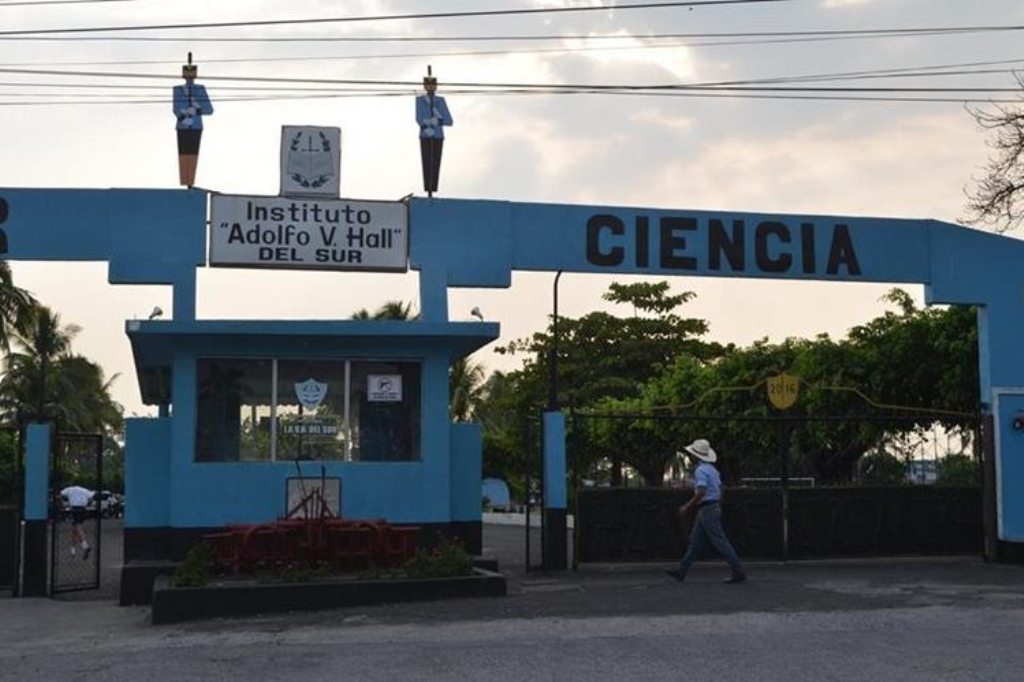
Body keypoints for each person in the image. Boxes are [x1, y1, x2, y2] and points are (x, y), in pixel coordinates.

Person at [666, 438, 747, 584]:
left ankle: (738, 570)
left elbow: (701, 491)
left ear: (695, 456)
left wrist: (687, 506)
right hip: (712, 507)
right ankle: (681, 571)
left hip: (706, 508)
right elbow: (720, 489)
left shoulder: (700, 471)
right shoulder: (712, 470)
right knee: (696, 542)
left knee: (719, 541)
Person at [172, 57, 214, 187]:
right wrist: (186, 114)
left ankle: (190, 181)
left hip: (196, 126)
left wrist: (195, 110)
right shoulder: (178, 89)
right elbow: (176, 109)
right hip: (183, 126)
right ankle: (185, 180)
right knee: (184, 154)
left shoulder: (200, 89)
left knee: (193, 153)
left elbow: (209, 109)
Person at [415, 73, 453, 195]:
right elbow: (419, 119)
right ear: (425, 86)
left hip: (438, 135)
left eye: (433, 84)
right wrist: (428, 122)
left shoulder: (440, 101)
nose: (431, 87)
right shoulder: (420, 100)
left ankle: (433, 186)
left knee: (435, 162)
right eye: (428, 84)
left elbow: (449, 121)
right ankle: (428, 187)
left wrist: (436, 121)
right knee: (427, 161)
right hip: (426, 135)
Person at [60, 484, 94, 559]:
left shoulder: (69, 489)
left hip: (75, 508)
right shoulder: (85, 490)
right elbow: (91, 497)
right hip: (83, 509)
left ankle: (85, 545)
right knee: (74, 529)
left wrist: (63, 503)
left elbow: (61, 494)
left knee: (77, 526)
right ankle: (73, 549)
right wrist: (88, 503)